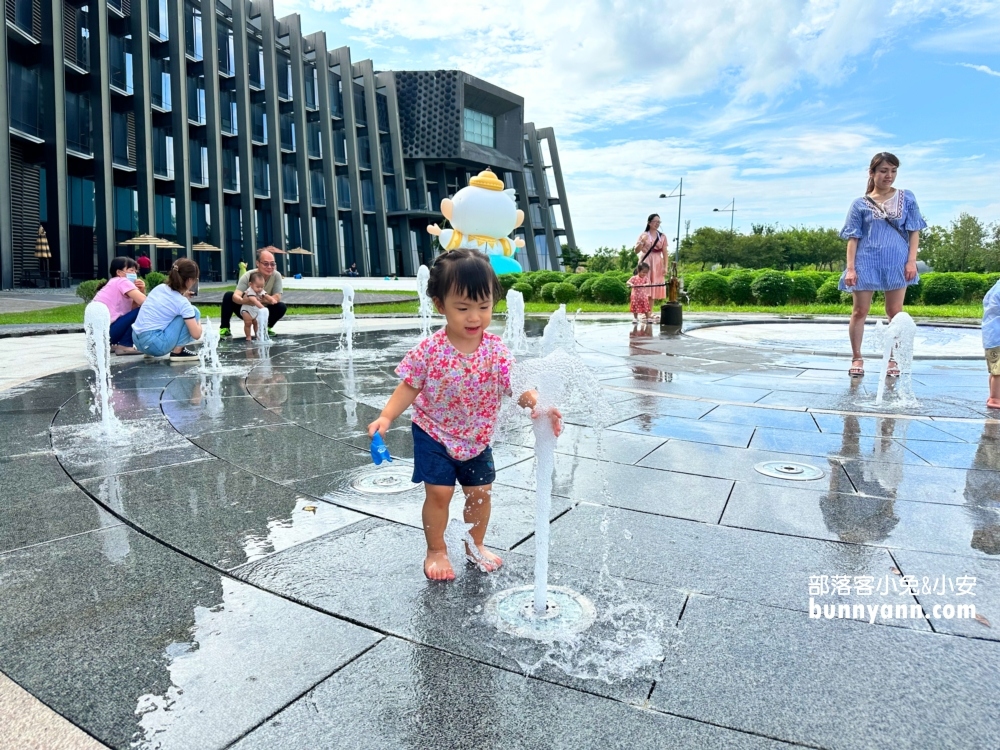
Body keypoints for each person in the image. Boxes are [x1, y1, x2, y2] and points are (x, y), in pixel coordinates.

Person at [367, 248, 563, 581]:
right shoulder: (429, 350)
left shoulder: (495, 350)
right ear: (440, 305)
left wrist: (539, 405)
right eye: (463, 308)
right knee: (439, 493)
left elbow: (515, 387)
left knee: (480, 492)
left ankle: (475, 544)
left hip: (477, 437)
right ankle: (436, 550)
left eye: (484, 307)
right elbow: (409, 387)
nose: (474, 317)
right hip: (434, 432)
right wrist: (386, 417)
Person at [838, 152, 926, 378]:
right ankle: (857, 357)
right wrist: (850, 268)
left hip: (897, 262)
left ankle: (892, 359)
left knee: (895, 312)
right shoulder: (860, 204)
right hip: (865, 261)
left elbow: (914, 230)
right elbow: (853, 237)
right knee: (860, 311)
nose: (889, 176)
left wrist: (911, 261)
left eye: (893, 171)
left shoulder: (907, 198)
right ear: (872, 173)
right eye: (884, 171)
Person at [132, 258, 203, 363]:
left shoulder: (160, 288)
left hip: (137, 341)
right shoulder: (183, 303)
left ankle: (149, 352)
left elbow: (169, 301)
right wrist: (199, 323)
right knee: (194, 311)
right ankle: (178, 352)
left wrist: (183, 295)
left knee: (181, 313)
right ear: (190, 280)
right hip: (156, 346)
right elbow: (196, 335)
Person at [219, 249, 285, 337]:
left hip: (264, 310)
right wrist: (244, 301)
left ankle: (266, 327)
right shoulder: (248, 275)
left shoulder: (276, 275)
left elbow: (277, 297)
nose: (269, 267)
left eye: (272, 264)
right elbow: (236, 296)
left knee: (281, 306)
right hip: (247, 309)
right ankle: (225, 328)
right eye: (266, 263)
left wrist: (257, 301)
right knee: (228, 296)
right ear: (257, 263)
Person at [93, 256, 146, 355]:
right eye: (131, 271)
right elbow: (146, 304)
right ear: (119, 272)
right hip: (108, 333)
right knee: (144, 310)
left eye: (135, 272)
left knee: (139, 310)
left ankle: (113, 345)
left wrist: (141, 290)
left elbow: (131, 312)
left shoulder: (113, 283)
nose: (134, 274)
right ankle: (125, 345)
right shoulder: (122, 281)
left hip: (97, 337)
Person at [634, 214, 667, 303]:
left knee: (653, 287)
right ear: (649, 223)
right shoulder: (644, 235)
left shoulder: (662, 236)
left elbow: (665, 252)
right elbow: (636, 251)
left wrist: (665, 266)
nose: (657, 224)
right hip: (646, 261)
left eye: (659, 222)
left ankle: (650, 312)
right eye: (655, 221)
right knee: (645, 284)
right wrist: (642, 241)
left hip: (657, 262)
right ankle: (642, 311)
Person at [982, 277, 1000, 409]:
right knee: (998, 371)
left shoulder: (996, 287)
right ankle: (995, 399)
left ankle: (993, 396)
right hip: (997, 337)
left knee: (995, 370)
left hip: (992, 337)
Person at [240, 271, 267, 341]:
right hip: (247, 310)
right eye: (258, 287)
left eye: (262, 287)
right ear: (250, 284)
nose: (260, 289)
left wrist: (272, 300)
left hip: (255, 309)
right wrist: (263, 308)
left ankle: (257, 335)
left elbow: (266, 295)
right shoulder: (250, 291)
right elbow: (254, 301)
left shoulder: (260, 290)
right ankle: (248, 336)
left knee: (256, 323)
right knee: (248, 323)